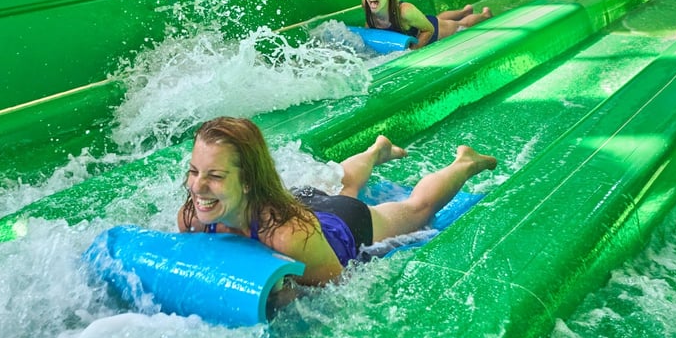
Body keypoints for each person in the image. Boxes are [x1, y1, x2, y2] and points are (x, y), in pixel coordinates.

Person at [177, 116, 497, 289]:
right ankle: (376, 151)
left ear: (248, 181)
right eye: (193, 171)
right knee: (341, 183)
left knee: (418, 209)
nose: (197, 187)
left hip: (341, 227)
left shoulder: (291, 237)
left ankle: (465, 162)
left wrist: (285, 293)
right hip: (297, 202)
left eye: (215, 176)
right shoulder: (194, 216)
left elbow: (341, 286)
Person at [362, 0, 493, 49]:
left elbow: (429, 29)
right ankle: (464, 11)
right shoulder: (367, 3)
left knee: (460, 25)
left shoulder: (404, 11)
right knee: (439, 18)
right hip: (417, 23)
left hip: (429, 31)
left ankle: (484, 15)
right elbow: (370, 24)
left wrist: (414, 50)